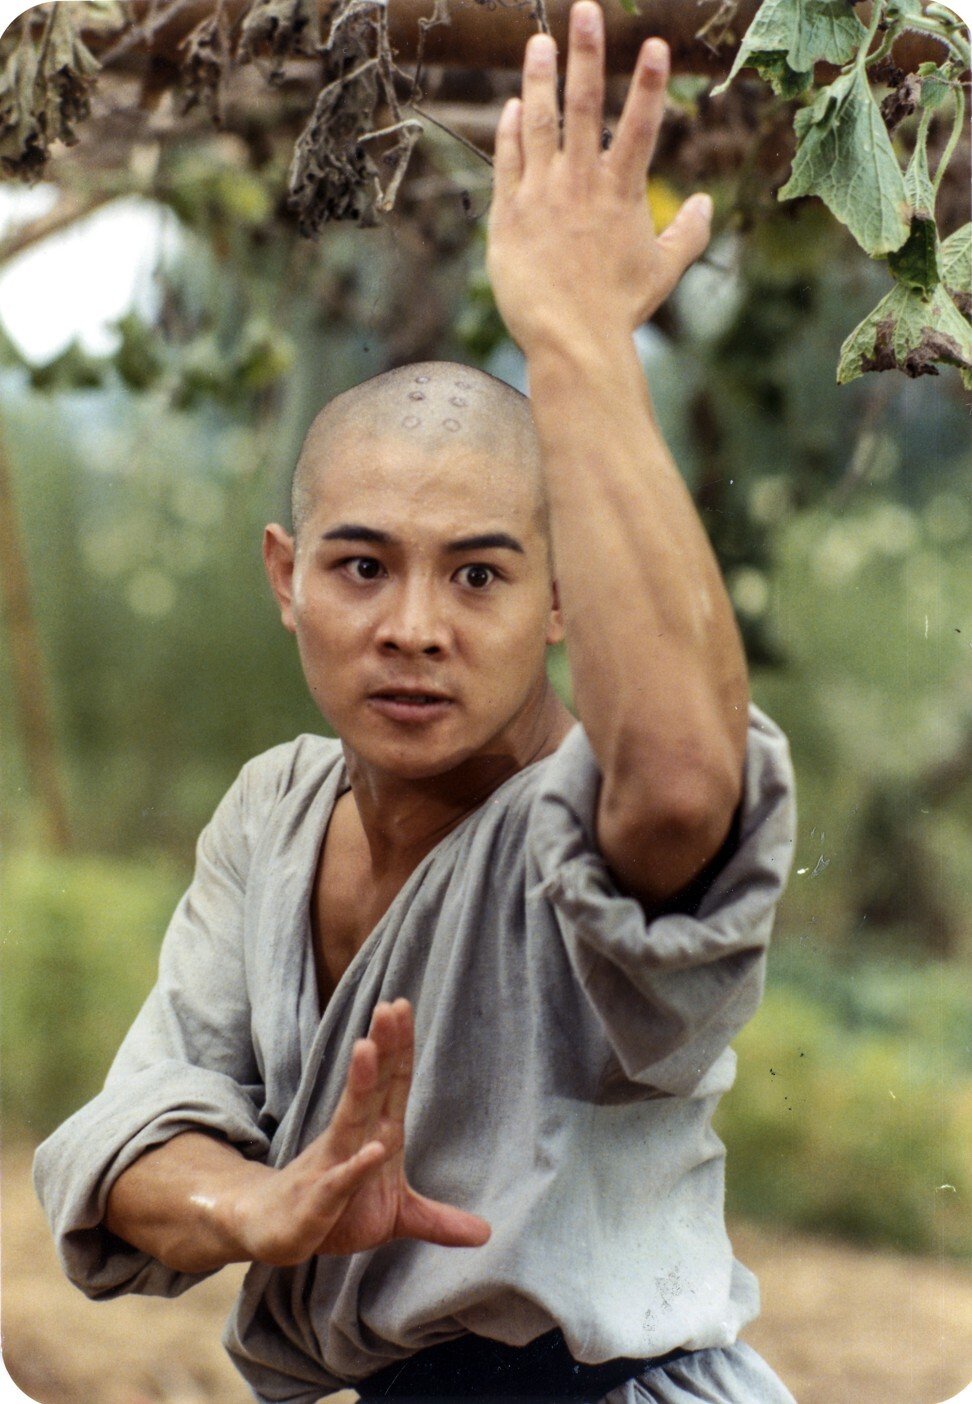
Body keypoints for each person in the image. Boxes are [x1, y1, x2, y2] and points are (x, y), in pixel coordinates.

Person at [34, 6, 798, 1401]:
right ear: (287, 576)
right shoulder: (276, 809)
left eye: (483, 574)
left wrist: (575, 345)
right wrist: (257, 1209)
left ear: (562, 596)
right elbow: (138, 1133)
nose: (414, 630)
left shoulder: (580, 819)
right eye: (363, 565)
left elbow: (683, 784)